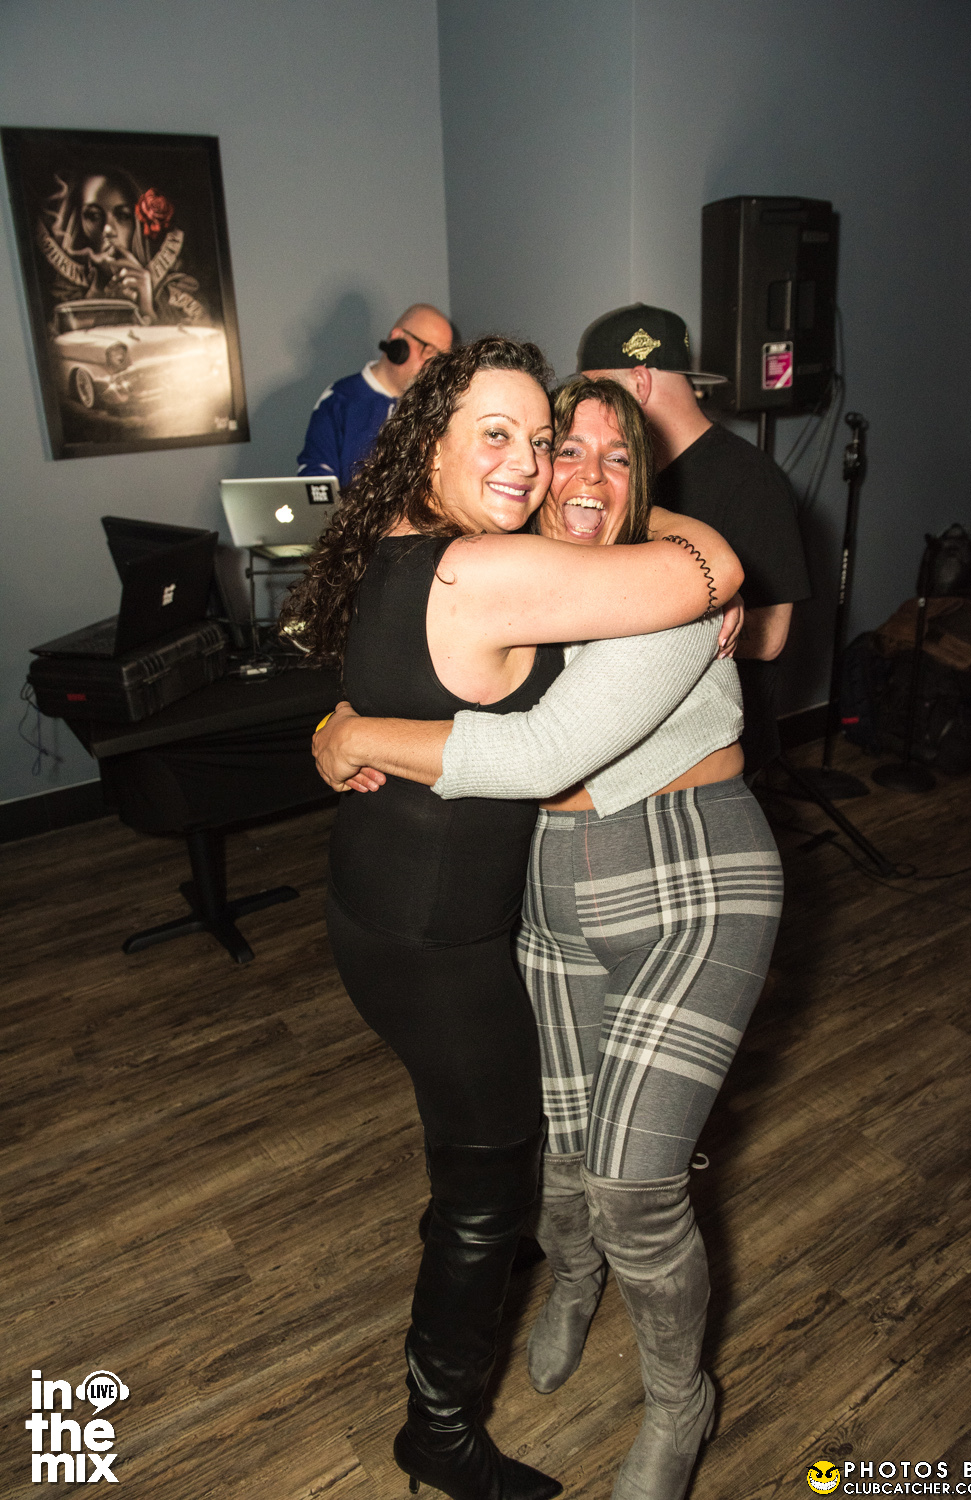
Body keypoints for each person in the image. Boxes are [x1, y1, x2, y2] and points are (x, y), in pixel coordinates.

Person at [285, 339, 742, 1500]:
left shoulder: (404, 543)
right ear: (426, 448)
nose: (533, 464)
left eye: (541, 442)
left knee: (474, 1165)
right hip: (435, 937)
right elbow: (711, 571)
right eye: (501, 436)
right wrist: (685, 554)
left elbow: (406, 686)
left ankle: (483, 1364)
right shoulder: (485, 568)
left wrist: (349, 730)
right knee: (487, 1193)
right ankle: (437, 1434)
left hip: (383, 905)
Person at [578, 302, 811, 771]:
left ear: (639, 383)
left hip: (718, 749)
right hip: (638, 734)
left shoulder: (752, 480)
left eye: (599, 388)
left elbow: (770, 637)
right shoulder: (628, 473)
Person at [296, 302, 453, 481]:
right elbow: (316, 481)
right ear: (397, 340)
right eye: (428, 351)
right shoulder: (339, 401)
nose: (432, 366)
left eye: (440, 359)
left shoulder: (436, 409)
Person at [37, 167, 208, 325]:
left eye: (123, 216)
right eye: (93, 216)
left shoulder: (173, 294)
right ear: (77, 222)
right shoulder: (60, 295)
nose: (108, 230)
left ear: (138, 224)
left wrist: (146, 308)